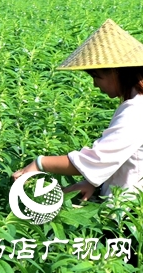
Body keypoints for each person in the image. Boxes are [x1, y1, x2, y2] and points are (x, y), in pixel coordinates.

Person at [12, 19, 143, 266]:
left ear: (116, 71)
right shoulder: (134, 103)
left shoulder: (136, 111)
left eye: (98, 76)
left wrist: (40, 163)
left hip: (129, 217)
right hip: (122, 206)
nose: (95, 84)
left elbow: (97, 158)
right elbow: (121, 157)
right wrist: (92, 180)